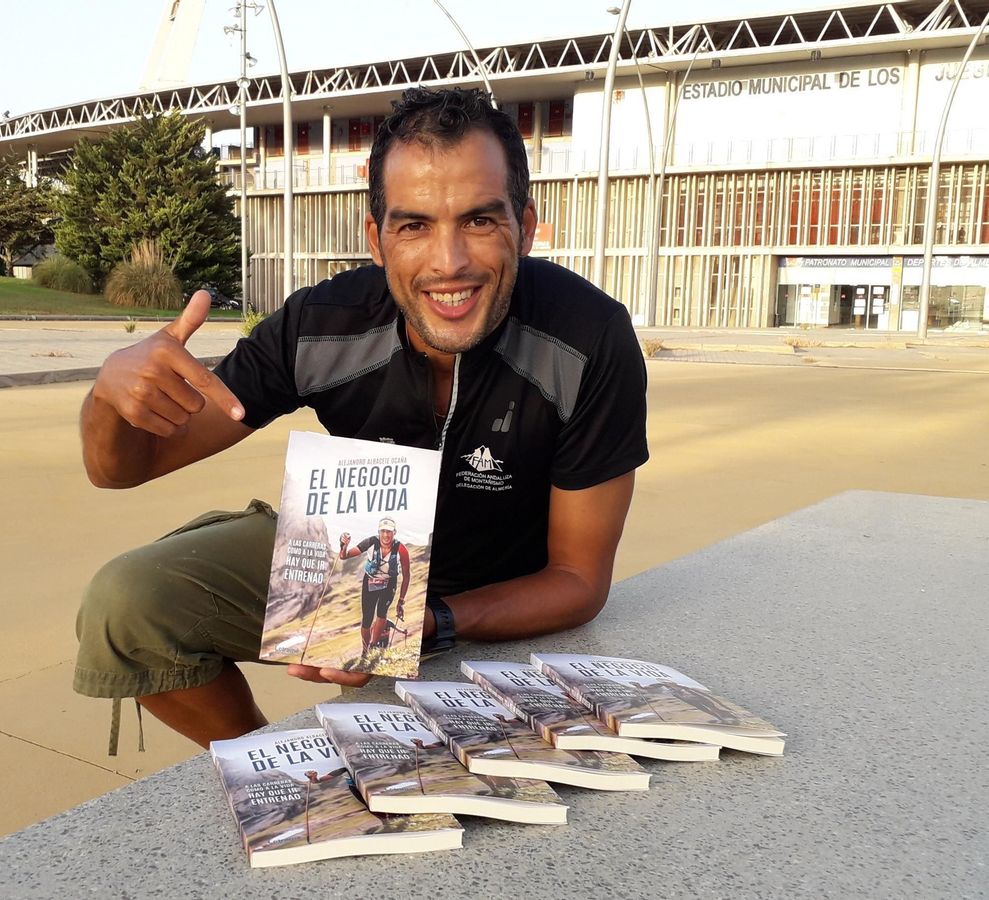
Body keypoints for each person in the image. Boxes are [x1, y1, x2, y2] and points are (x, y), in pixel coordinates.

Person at [76, 85, 649, 752]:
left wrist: (425, 621)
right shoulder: (319, 326)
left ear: (525, 223)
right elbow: (123, 468)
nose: (449, 262)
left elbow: (577, 581)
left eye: (480, 221)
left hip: (504, 589)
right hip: (364, 558)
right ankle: (273, 761)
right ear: (376, 239)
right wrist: (111, 400)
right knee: (129, 601)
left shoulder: (589, 337)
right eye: (415, 225)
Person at [335, 517, 411, 666]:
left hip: (389, 583)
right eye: (383, 531)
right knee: (367, 619)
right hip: (370, 582)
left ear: (394, 532)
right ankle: (365, 650)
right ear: (379, 532)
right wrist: (344, 545)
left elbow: (407, 575)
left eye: (389, 531)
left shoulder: (401, 549)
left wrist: (401, 601)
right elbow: (344, 556)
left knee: (382, 612)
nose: (386, 535)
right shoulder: (370, 542)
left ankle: (374, 645)